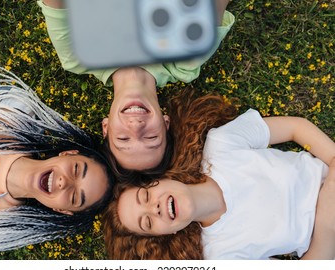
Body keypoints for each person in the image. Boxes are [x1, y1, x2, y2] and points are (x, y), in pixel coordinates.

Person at [102, 88, 335, 260]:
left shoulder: (221, 144)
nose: (155, 208)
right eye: (148, 222)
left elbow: (296, 128)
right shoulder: (222, 256)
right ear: (166, 234)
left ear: (161, 179)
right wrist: (327, 222)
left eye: (145, 197)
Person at [37, 0, 235, 176]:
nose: (136, 125)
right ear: (166, 123)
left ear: (106, 128)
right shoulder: (185, 62)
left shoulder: (76, 57)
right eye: (151, 137)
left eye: (123, 138)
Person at [0, 61, 115, 259]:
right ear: (68, 154)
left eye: (75, 197)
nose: (64, 182)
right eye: (76, 170)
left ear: (61, 209)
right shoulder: (14, 112)